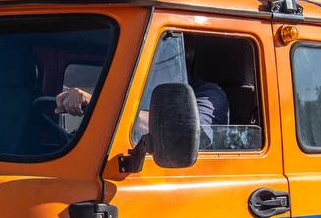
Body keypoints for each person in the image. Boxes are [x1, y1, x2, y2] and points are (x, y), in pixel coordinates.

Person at [55, 37, 229, 143]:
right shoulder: (132, 91)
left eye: (160, 49)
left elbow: (183, 131)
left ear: (186, 52)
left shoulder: (209, 95)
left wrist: (97, 103)